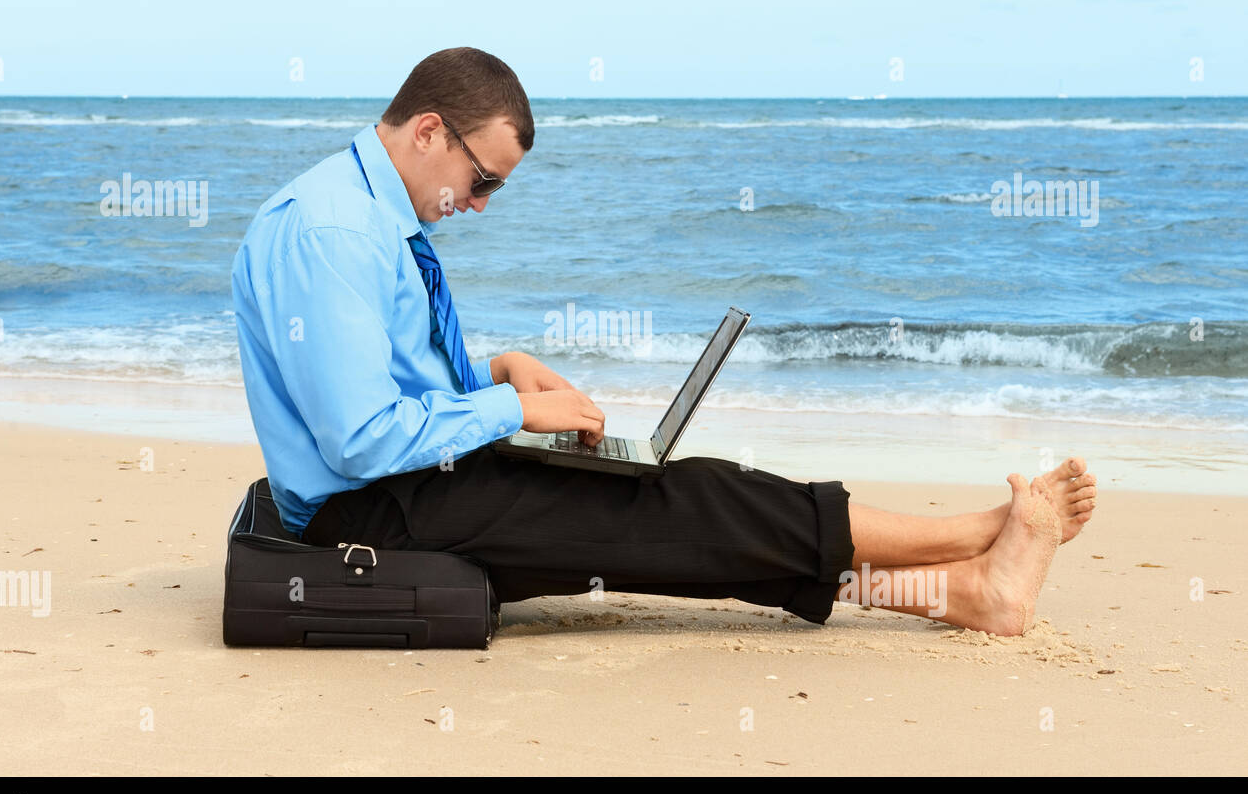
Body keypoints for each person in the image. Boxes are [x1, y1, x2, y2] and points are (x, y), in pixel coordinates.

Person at [231, 47, 1099, 637]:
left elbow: (389, 381)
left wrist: (493, 371)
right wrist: (513, 407)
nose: (482, 203)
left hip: (407, 483)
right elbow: (359, 436)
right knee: (675, 505)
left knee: (661, 524)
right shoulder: (335, 233)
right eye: (481, 178)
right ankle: (973, 534)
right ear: (428, 131)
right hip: (371, 508)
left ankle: (966, 592)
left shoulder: (363, 214)